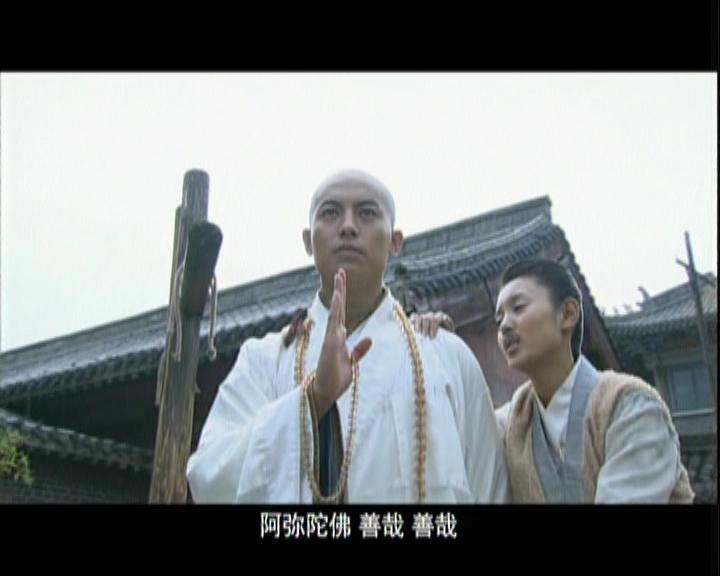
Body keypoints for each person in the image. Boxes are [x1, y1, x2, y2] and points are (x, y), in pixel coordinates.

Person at [186, 169, 509, 503]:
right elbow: (209, 475)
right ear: (308, 241)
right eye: (330, 213)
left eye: (367, 213)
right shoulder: (264, 360)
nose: (348, 226)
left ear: (395, 242)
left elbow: (491, 486)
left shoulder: (447, 355)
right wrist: (312, 401)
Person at [412, 258, 694, 503]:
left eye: (518, 307)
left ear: (567, 314)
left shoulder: (629, 407)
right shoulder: (512, 424)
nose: (505, 325)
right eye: (499, 320)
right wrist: (439, 348)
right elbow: (462, 436)